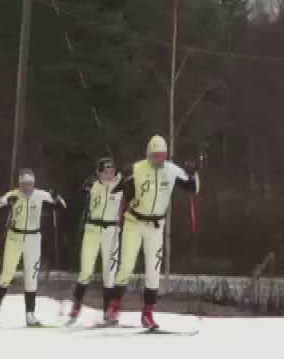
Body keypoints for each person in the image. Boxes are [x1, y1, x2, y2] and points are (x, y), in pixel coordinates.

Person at [109, 135, 199, 331]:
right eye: (155, 156)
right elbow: (117, 189)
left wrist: (193, 174)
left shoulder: (171, 170)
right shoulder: (138, 168)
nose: (158, 159)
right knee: (127, 265)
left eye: (162, 156)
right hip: (134, 222)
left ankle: (148, 313)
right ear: (148, 154)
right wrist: (122, 175)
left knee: (153, 270)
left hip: (156, 226)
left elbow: (192, 187)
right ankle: (114, 306)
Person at [0, 170, 64, 325]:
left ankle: (30, 315)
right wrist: (7, 203)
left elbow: (61, 205)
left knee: (31, 277)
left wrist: (57, 197)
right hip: (14, 237)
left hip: (33, 238)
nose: (28, 187)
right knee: (7, 274)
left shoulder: (40, 195)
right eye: (25, 183)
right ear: (19, 183)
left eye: (30, 183)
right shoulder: (13, 195)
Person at [70, 158, 124, 326]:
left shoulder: (120, 185)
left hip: (112, 231)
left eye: (112, 170)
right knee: (86, 270)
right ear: (99, 172)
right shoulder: (93, 185)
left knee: (110, 273)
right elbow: (81, 193)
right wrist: (85, 186)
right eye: (106, 171)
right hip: (93, 229)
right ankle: (77, 305)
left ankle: (108, 312)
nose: (109, 174)